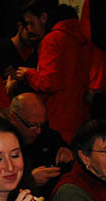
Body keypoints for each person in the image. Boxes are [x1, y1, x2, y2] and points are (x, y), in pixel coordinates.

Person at [15, 4, 91, 143]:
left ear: (44, 18)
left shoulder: (53, 39)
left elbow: (48, 83)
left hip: (57, 118)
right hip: (80, 115)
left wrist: (28, 74)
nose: (30, 29)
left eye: (31, 23)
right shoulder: (82, 39)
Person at [7, 92, 74, 192]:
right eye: (33, 125)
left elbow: (70, 159)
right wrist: (29, 181)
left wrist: (69, 155)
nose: (38, 131)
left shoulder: (48, 136)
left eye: (41, 125)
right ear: (13, 118)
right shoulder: (3, 145)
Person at [0, 0, 50, 93]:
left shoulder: (37, 51)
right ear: (19, 26)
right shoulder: (1, 49)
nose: (33, 39)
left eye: (32, 24)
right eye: (29, 34)